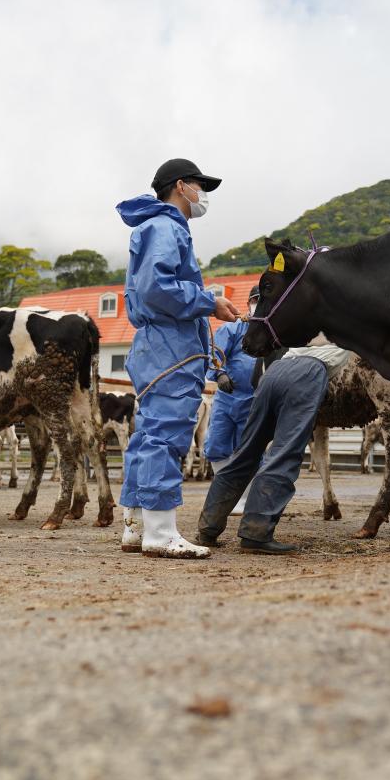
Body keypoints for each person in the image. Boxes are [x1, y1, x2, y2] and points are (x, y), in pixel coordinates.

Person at [115, 158, 240, 558]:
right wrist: (210, 302)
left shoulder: (153, 226)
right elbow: (157, 287)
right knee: (166, 433)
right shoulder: (167, 226)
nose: (202, 195)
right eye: (200, 186)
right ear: (181, 186)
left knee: (148, 433)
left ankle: (136, 525)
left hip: (157, 344)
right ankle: (161, 531)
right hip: (171, 345)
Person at [196, 343, 352, 555]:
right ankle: (255, 533)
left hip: (275, 371)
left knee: (246, 452)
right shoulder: (349, 322)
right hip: (308, 373)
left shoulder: (311, 321)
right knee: (284, 453)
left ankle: (207, 529)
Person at [203, 285, 260, 514]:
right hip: (227, 398)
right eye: (254, 300)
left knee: (248, 450)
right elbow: (214, 351)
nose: (257, 304)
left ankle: (245, 499)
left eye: (261, 300)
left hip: (254, 400)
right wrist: (221, 373)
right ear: (247, 304)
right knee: (217, 444)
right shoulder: (234, 328)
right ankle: (227, 496)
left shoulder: (273, 332)